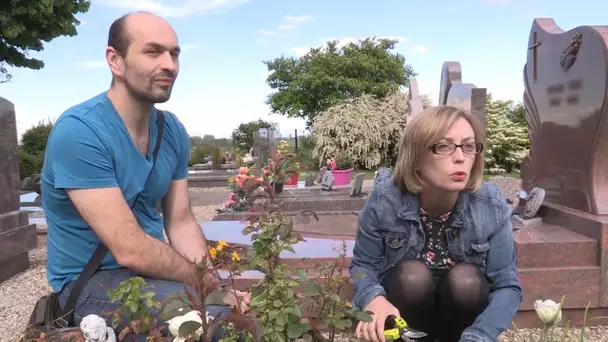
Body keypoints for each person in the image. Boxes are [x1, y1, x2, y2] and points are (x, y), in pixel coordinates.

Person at [41, 11, 249, 340]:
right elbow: (131, 249)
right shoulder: (79, 132)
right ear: (116, 61)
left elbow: (179, 222)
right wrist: (206, 285)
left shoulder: (172, 131)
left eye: (174, 53)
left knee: (243, 317)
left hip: (152, 277)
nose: (170, 64)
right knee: (217, 326)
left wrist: (216, 285)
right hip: (90, 283)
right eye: (153, 52)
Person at [350, 106, 523, 342]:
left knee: (467, 281)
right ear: (416, 156)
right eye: (444, 146)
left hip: (460, 324)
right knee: (412, 277)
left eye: (469, 146)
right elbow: (363, 264)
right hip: (405, 316)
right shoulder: (385, 200)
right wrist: (374, 298)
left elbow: (507, 286)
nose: (461, 157)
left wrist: (479, 336)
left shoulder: (490, 204)